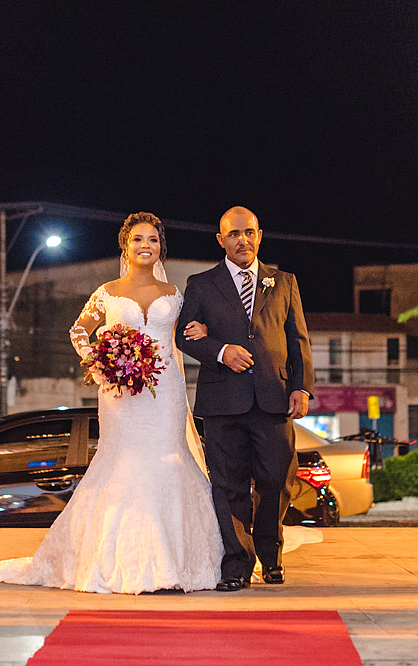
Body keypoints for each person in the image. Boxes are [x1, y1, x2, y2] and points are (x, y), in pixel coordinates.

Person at [0, 213, 222, 593]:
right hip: (120, 394)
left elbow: (189, 334)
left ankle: (177, 560)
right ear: (125, 246)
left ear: (161, 246)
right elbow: (78, 330)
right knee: (122, 461)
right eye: (138, 240)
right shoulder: (107, 292)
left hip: (166, 394)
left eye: (153, 240)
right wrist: (101, 363)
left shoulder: (175, 296)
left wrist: (202, 329)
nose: (146, 246)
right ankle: (111, 560)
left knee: (168, 458)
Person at [176, 205, 315, 591]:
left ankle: (271, 558)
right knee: (229, 484)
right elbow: (183, 336)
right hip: (223, 402)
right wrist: (222, 351)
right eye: (234, 234)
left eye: (249, 232)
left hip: (275, 398)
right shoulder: (202, 284)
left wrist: (302, 387)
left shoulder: (283, 281)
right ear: (221, 240)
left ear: (259, 235)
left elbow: (298, 339)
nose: (243, 240)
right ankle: (236, 564)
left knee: (276, 482)